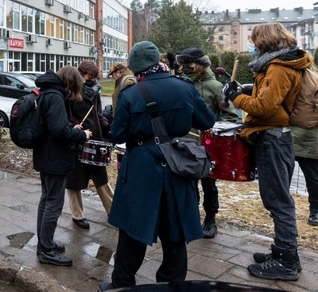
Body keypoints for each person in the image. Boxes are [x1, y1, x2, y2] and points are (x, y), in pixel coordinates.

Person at [99, 41, 215, 290]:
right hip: (177, 165)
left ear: (136, 67)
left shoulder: (131, 94)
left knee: (133, 230)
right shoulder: (185, 88)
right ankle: (172, 285)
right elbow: (206, 120)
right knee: (175, 231)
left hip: (141, 168)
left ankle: (121, 285)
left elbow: (117, 135)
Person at [222, 22, 311, 281]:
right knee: (276, 198)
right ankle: (283, 251)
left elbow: (265, 107)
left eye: (254, 40)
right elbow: (272, 95)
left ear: (265, 41)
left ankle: (286, 261)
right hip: (274, 136)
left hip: (273, 137)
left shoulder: (279, 66)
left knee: (278, 200)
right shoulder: (279, 63)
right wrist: (246, 89)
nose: (252, 44)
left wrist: (236, 97)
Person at [176, 47, 238, 239]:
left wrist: (215, 130)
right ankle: (191, 216)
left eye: (188, 65)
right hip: (186, 143)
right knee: (188, 182)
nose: (184, 68)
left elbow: (231, 116)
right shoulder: (182, 84)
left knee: (208, 184)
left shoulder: (215, 86)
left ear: (201, 65)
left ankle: (210, 218)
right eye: (182, 65)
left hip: (208, 144)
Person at [33, 66, 92, 267]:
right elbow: (58, 131)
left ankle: (44, 243)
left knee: (46, 199)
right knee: (53, 203)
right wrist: (81, 134)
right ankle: (47, 250)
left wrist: (69, 127)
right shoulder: (56, 97)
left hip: (45, 155)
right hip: (54, 158)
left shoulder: (47, 92)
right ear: (70, 82)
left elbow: (54, 126)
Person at [66, 61, 113, 229]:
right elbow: (67, 116)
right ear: (80, 75)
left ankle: (113, 211)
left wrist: (107, 127)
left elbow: (98, 114)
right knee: (74, 181)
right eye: (89, 77)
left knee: (101, 178)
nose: (92, 80)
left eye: (94, 77)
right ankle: (77, 215)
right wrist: (73, 127)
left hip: (96, 140)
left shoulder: (95, 92)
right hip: (78, 140)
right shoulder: (70, 92)